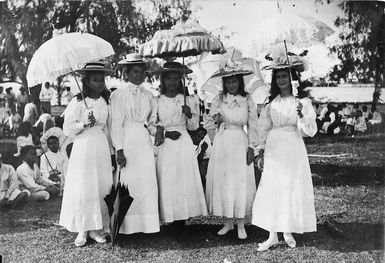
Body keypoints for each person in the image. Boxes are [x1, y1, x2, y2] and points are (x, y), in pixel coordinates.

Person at [252, 56, 317, 251]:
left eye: (285, 76)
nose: (281, 80)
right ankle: (272, 234)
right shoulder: (271, 103)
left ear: (292, 78)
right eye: (278, 76)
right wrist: (260, 151)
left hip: (293, 146)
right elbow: (263, 129)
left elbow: (310, 131)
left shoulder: (302, 101)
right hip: (274, 147)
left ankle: (287, 229)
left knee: (290, 186)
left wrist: (301, 115)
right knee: (273, 186)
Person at [59, 62, 114, 247]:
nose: (99, 83)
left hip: (100, 145)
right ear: (87, 81)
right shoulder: (78, 101)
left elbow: (108, 127)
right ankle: (83, 228)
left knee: (100, 185)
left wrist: (112, 149)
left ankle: (97, 229)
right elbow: (67, 128)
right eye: (95, 80)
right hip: (83, 146)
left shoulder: (106, 100)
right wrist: (84, 124)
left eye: (101, 80)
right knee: (85, 185)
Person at [204, 65, 258, 240]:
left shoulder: (247, 99)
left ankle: (241, 222)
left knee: (239, 180)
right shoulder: (219, 99)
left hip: (239, 141)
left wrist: (252, 147)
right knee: (225, 180)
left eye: (234, 81)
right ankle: (228, 222)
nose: (231, 84)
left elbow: (253, 124)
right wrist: (216, 120)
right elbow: (209, 124)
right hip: (222, 141)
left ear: (240, 81)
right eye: (228, 81)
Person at [151, 62, 207, 228]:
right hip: (166, 142)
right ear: (163, 81)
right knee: (168, 178)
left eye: (176, 79)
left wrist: (189, 114)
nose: (173, 82)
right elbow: (151, 124)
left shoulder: (187, 99)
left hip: (183, 140)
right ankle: (169, 215)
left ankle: (183, 217)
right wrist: (163, 131)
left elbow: (194, 126)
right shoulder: (157, 101)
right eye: (169, 79)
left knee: (183, 179)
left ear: (181, 81)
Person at [110, 53, 160, 235]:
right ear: (127, 73)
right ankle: (126, 226)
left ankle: (147, 225)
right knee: (128, 180)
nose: (139, 75)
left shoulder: (149, 95)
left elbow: (152, 122)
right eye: (135, 72)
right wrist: (119, 149)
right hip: (127, 140)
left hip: (143, 139)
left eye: (142, 72)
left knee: (145, 180)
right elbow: (116, 124)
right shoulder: (118, 95)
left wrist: (158, 130)